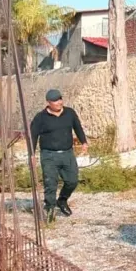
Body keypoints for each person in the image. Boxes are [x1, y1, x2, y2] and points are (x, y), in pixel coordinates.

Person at [29, 89, 88, 220]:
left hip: (67, 154)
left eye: (60, 99)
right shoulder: (40, 118)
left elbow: (77, 127)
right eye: (56, 100)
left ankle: (62, 200)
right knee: (50, 184)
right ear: (49, 102)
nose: (59, 102)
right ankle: (50, 210)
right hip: (49, 155)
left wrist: (84, 141)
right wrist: (31, 154)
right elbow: (33, 136)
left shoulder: (69, 113)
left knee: (72, 181)